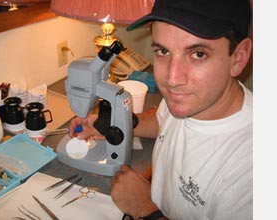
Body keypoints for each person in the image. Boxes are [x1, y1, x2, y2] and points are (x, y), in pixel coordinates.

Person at [68, 0, 252, 219]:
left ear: (238, 58)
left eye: (198, 54)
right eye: (163, 51)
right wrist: (117, 125)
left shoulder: (251, 169)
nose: (172, 79)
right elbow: (161, 118)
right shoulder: (192, 101)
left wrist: (145, 209)